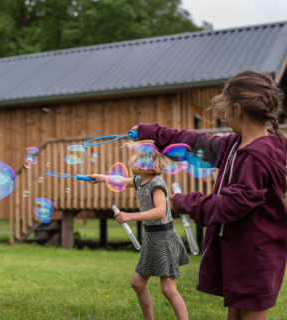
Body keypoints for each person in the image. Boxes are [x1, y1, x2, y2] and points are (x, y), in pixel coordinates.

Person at [132, 70, 287, 320]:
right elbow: (197, 143)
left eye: (224, 109)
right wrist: (155, 133)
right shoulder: (236, 145)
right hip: (240, 251)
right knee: (234, 314)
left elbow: (233, 203)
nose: (223, 115)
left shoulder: (258, 156)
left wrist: (186, 202)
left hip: (256, 256)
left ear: (236, 109)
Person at [88, 142, 190, 320]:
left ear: (152, 162)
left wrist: (131, 216)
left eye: (141, 157)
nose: (135, 160)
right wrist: (101, 177)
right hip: (151, 238)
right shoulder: (139, 180)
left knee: (168, 289)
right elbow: (119, 181)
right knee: (137, 284)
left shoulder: (156, 183)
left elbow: (160, 211)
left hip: (164, 238)